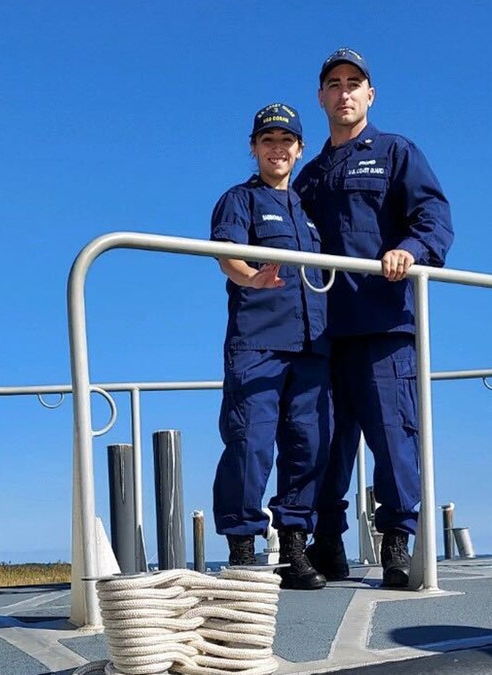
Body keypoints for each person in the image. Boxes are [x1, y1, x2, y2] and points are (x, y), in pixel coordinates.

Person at [294, 48, 454, 588]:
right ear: (321, 97)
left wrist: (410, 249)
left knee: (392, 438)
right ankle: (327, 544)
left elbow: (433, 218)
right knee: (320, 443)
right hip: (320, 334)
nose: (344, 92)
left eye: (353, 83)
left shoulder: (395, 153)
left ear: (370, 94)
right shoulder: (307, 177)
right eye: (334, 84)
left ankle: (397, 544)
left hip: (383, 326)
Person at [210, 103, 330, 590]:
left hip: (312, 345)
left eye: (286, 141)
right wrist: (251, 279)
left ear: (299, 150)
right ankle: (243, 549)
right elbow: (227, 255)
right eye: (268, 141)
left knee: (310, 444)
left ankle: (295, 547)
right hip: (258, 342)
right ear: (254, 148)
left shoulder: (309, 211)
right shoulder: (239, 199)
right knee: (250, 443)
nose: (277, 149)